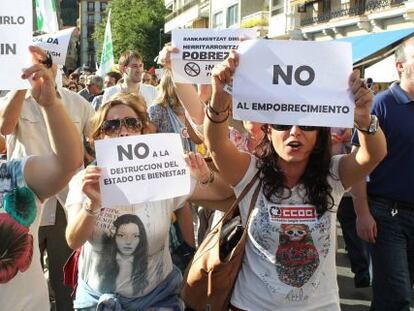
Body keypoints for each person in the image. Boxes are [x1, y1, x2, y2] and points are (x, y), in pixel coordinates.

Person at [204, 50, 386, 310]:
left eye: (307, 125)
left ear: (320, 133)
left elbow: (374, 154)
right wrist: (219, 97)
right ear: (268, 130)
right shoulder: (250, 171)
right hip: (251, 305)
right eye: (282, 124)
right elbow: (217, 144)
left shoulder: (333, 174)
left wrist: (363, 119)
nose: (295, 132)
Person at [65, 94, 233, 310]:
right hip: (97, 301)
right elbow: (73, 241)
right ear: (97, 138)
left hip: (158, 300)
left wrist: (205, 175)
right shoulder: (84, 182)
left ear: (143, 132)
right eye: (112, 126)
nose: (123, 131)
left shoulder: (161, 176)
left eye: (132, 124)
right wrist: (92, 205)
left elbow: (225, 196)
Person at [0, 48, 95, 311]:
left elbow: (81, 149)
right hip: (27, 201)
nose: (38, 69)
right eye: (32, 64)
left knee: (61, 269)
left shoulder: (77, 102)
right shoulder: (14, 99)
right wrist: (21, 89)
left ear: (56, 67)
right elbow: (5, 127)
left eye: (45, 63)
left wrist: (51, 105)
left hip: (55, 194)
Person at [352, 37, 414, 311]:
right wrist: (362, 213)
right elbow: (357, 165)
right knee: (395, 297)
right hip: (388, 214)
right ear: (400, 66)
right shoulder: (380, 105)